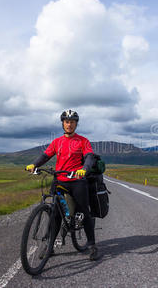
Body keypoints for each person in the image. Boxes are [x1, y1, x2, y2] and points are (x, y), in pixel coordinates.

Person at [25, 109, 99, 261]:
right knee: (55, 214)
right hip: (59, 180)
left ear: (76, 124)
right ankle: (50, 246)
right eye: (66, 122)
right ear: (63, 124)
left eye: (72, 122)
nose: (69, 124)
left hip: (77, 180)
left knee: (84, 212)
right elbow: (46, 156)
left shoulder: (83, 141)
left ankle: (92, 245)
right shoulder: (57, 142)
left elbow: (89, 157)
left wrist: (84, 169)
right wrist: (34, 164)